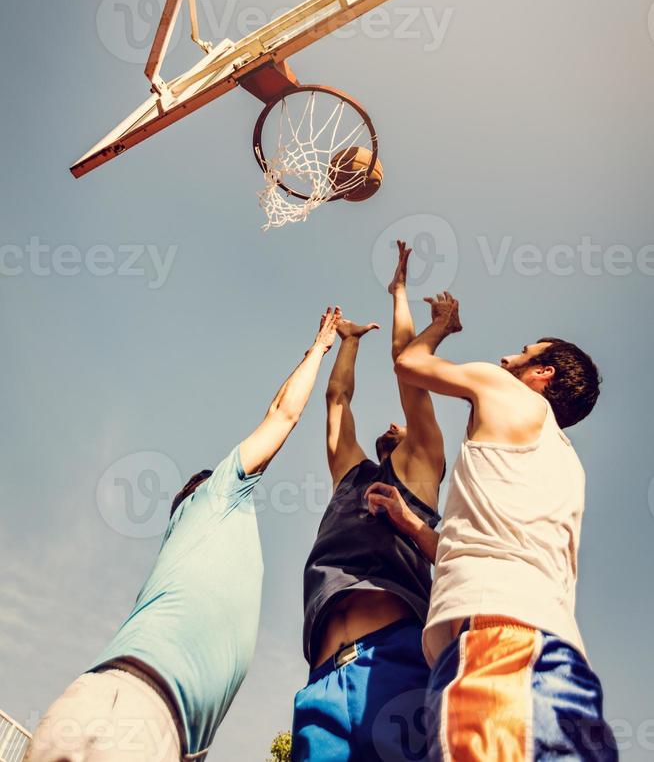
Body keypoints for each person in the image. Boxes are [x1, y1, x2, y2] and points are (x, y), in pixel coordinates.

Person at [25, 307, 342, 762]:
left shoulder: (186, 546)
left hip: (132, 715)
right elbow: (282, 415)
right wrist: (319, 348)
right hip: (137, 713)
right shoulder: (217, 495)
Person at [393, 291, 618, 761]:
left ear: (542, 373)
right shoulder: (565, 464)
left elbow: (409, 362)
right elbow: (489, 544)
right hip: (561, 662)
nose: (505, 357)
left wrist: (443, 326)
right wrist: (414, 527)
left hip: (499, 651)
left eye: (523, 352)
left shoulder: (500, 386)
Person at [291, 243, 451, 762]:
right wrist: (349, 341)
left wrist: (400, 294)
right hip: (320, 682)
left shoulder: (423, 462)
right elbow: (337, 402)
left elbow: (409, 370)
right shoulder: (351, 477)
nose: (392, 425)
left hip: (393, 661)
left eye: (399, 426)